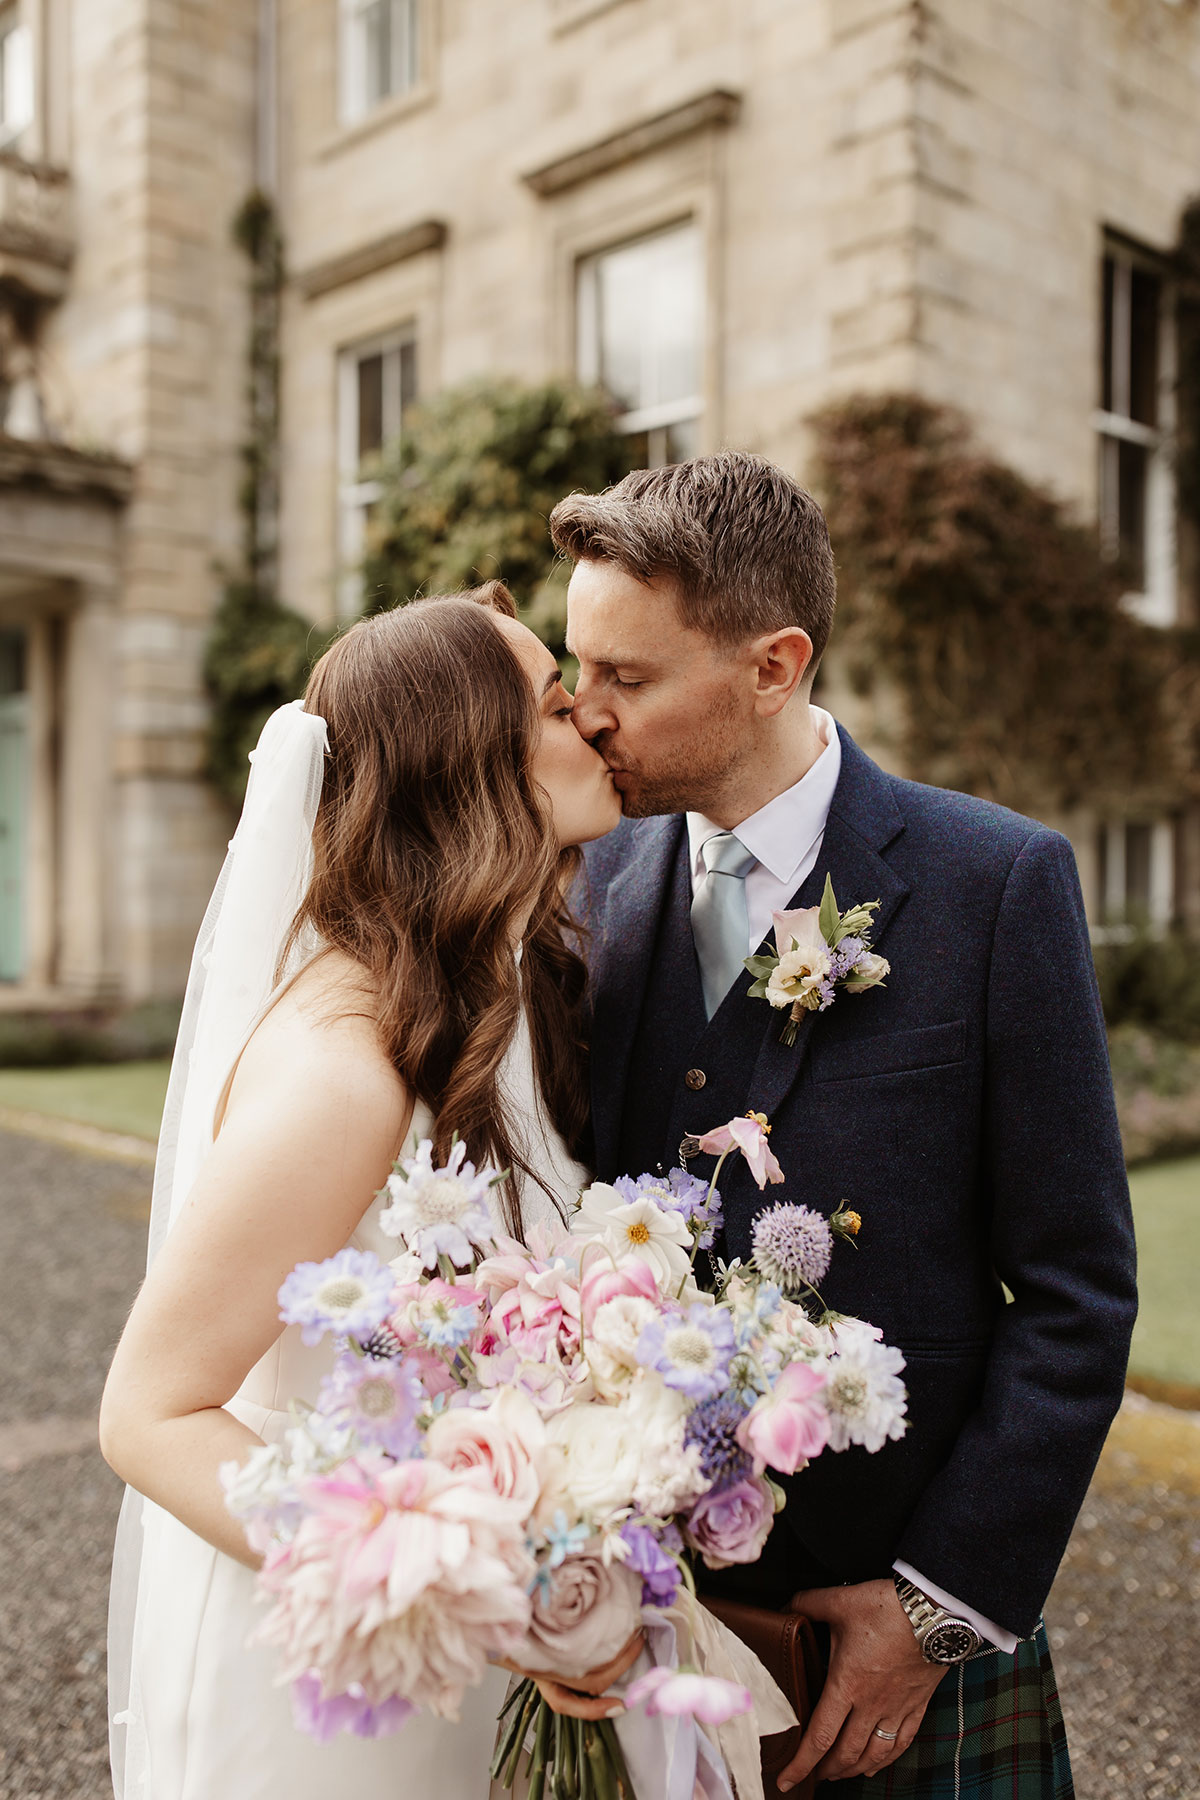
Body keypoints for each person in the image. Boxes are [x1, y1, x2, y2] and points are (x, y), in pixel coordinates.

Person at [553, 452, 1137, 1798]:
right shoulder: (589, 873)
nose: (584, 716)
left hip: (893, 1643)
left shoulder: (995, 883)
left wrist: (938, 1608)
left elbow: (1078, 1291)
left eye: (625, 680)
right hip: (634, 1626)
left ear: (774, 664)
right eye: (579, 670)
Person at [100, 583, 630, 1800]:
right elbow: (150, 1412)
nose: (593, 723)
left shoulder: (500, 1003)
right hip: (335, 1702)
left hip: (457, 1675)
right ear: (474, 770)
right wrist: (452, 1582)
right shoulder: (349, 1073)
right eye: (556, 704)